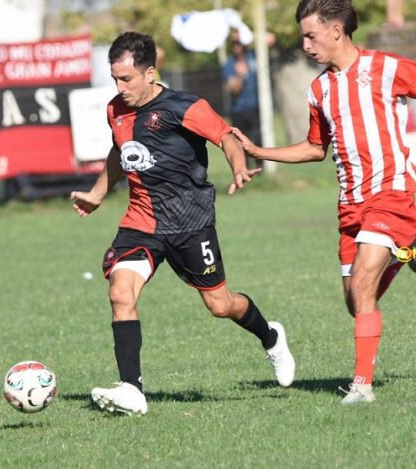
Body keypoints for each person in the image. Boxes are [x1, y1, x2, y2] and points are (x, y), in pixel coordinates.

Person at [233, 0, 416, 404]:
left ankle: (362, 386)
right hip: (350, 203)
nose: (306, 44)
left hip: (391, 192)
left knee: (363, 284)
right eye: (302, 36)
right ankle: (404, 249)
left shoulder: (387, 68)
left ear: (336, 31)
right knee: (355, 301)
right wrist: (260, 150)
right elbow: (314, 148)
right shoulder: (319, 89)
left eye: (311, 35)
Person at [70, 32, 295, 415]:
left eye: (127, 79)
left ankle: (270, 335)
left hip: (191, 222)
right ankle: (131, 389)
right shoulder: (116, 110)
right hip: (141, 221)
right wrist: (97, 193)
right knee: (120, 292)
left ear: (151, 73)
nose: (119, 88)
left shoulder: (183, 107)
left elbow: (225, 137)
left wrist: (238, 167)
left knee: (220, 305)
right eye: (114, 79)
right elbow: (119, 150)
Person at [222, 30, 262, 170]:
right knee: (241, 142)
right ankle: (245, 170)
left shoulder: (255, 55)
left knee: (258, 139)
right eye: (234, 43)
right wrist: (240, 75)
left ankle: (260, 169)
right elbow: (233, 90)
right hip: (239, 109)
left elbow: (270, 39)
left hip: (256, 106)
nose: (237, 46)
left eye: (239, 42)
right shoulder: (229, 64)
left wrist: (248, 34)